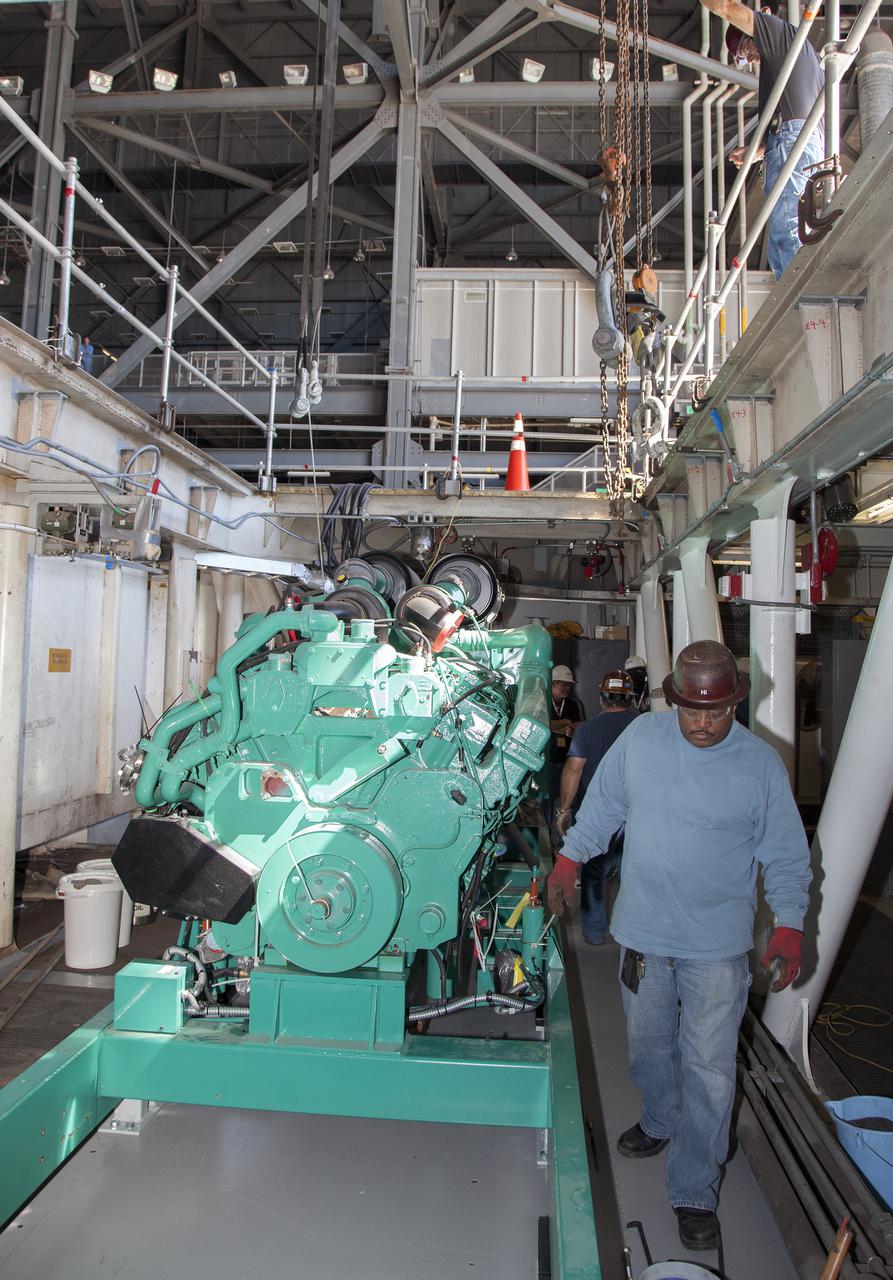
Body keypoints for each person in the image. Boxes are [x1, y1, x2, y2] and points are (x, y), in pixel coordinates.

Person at [546, 640, 811, 1252]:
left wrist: (791, 924)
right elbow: (602, 809)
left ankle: (695, 1187)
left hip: (716, 947)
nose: (701, 722)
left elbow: (787, 858)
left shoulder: (760, 766)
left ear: (735, 705)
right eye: (691, 710)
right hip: (642, 936)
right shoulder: (640, 742)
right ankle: (662, 1117)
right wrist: (567, 861)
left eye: (715, 712)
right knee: (646, 1047)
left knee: (711, 1070)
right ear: (674, 701)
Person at [700, 0, 825, 280]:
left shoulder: (776, 33)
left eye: (746, 50)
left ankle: (798, 302)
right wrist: (761, 149)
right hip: (796, 139)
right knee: (782, 240)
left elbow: (725, 7)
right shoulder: (793, 53)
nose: (752, 59)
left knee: (789, 231)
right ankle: (791, 300)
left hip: (792, 140)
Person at [554, 670, 638, 945]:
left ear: (602, 698)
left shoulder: (588, 730)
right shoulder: (643, 727)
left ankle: (593, 931)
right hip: (639, 818)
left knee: (593, 874)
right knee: (635, 875)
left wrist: (564, 809)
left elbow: (574, 770)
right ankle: (634, 935)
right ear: (631, 699)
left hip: (597, 818)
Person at [546, 664, 585, 824]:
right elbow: (543, 724)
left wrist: (569, 727)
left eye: (569, 685)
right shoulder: (544, 702)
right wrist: (566, 722)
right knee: (546, 800)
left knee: (570, 799)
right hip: (548, 760)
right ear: (554, 683)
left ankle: (567, 833)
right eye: (564, 684)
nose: (567, 688)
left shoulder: (573, 704)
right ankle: (546, 834)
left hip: (568, 760)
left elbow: (580, 725)